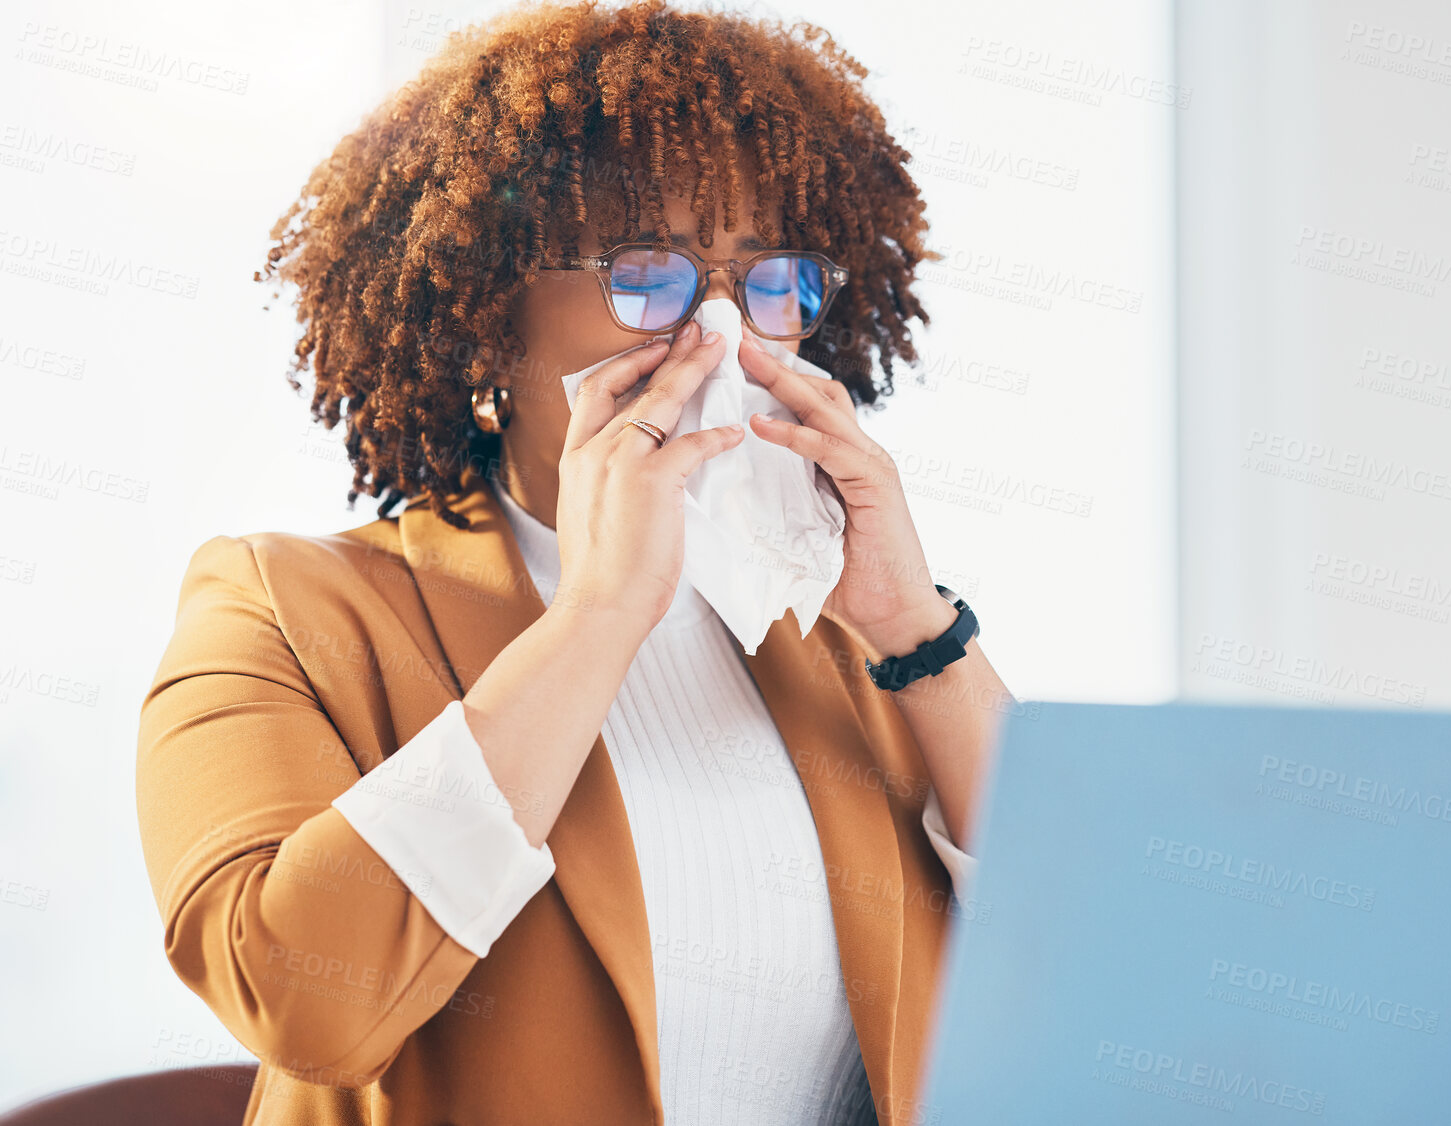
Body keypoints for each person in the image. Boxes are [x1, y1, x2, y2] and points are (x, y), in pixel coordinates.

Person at [134, 3, 1014, 1123]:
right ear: (487, 323)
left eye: (765, 281)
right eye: (648, 274)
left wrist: (917, 629)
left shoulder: (840, 633)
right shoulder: (285, 607)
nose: (717, 337)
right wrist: (599, 613)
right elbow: (308, 1001)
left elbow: (1084, 971)